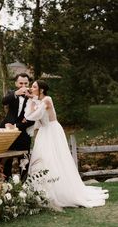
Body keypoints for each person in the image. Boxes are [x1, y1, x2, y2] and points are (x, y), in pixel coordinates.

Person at [24, 79, 109, 208]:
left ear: (41, 89)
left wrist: (33, 100)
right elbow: (29, 115)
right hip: (43, 132)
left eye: (34, 86)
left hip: (52, 131)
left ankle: (59, 191)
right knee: (42, 159)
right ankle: (41, 191)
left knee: (54, 159)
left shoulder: (47, 100)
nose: (31, 88)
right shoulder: (38, 101)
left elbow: (34, 116)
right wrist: (31, 100)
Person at [0, 73, 34, 181]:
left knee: (24, 161)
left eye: (25, 83)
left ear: (29, 84)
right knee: (6, 160)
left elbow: (31, 120)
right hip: (8, 133)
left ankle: (23, 185)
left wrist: (16, 126)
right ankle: (7, 185)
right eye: (21, 83)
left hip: (23, 132)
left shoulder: (33, 97)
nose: (23, 86)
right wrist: (16, 93)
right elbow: (3, 101)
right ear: (16, 83)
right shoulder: (12, 94)